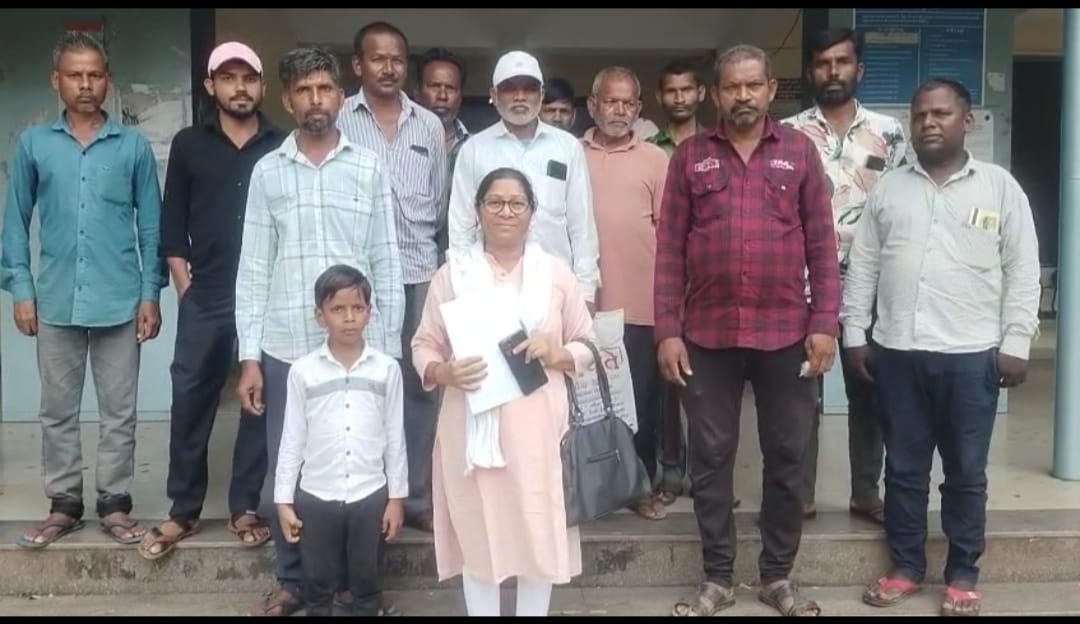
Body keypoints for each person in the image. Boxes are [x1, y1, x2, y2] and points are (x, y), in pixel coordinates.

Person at [845, 79, 1040, 617]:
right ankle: (906, 567)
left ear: (966, 121)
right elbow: (864, 265)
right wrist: (855, 333)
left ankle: (962, 573)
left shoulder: (1000, 188)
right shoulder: (889, 189)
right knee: (904, 470)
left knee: (966, 472)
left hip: (972, 356)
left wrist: (1017, 340)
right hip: (898, 352)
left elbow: (1022, 268)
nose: (929, 123)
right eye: (920, 115)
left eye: (941, 113)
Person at [656, 45, 840, 617]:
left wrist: (825, 323)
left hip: (786, 332)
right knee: (711, 458)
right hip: (706, 334)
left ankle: (776, 576)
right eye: (732, 87)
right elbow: (669, 251)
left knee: (787, 454)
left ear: (770, 89)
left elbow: (823, 245)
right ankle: (718, 577)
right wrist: (668, 330)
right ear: (716, 93)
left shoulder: (800, 152)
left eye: (753, 85)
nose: (743, 96)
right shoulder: (689, 158)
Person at [235, 46, 404, 617]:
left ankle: (360, 585)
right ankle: (294, 581)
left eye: (325, 89)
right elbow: (254, 268)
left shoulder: (369, 167)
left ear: (341, 96)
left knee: (362, 461)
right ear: (287, 99)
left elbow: (386, 260)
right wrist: (251, 357)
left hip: (360, 348)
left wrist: (387, 348)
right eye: (304, 90)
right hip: (288, 345)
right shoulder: (268, 172)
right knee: (291, 465)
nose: (316, 100)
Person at [2, 31, 166, 549]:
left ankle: (115, 503)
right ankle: (64, 505)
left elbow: (152, 228)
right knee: (57, 411)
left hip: (121, 300)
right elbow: (14, 223)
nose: (86, 84)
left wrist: (151, 294)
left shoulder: (133, 146)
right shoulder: (34, 144)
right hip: (54, 300)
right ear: (57, 80)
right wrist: (21, 288)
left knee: (119, 411)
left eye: (95, 74)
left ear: (108, 80)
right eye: (75, 75)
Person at [412, 167, 596, 617]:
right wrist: (443, 371)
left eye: (517, 203)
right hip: (471, 430)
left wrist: (555, 352)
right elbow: (423, 344)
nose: (506, 212)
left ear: (532, 212)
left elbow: (588, 344)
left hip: (538, 431)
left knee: (536, 535)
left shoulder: (556, 275)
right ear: (478, 211)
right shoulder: (452, 276)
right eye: (494, 202)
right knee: (478, 538)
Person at [138, 41, 285, 561]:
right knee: (190, 399)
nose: (239, 87)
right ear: (211, 86)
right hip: (208, 294)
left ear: (262, 86)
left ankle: (245, 506)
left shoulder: (281, 146)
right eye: (228, 78)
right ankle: (184, 510)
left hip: (267, 295)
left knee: (258, 400)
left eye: (249, 78)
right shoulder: (189, 144)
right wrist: (185, 288)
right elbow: (172, 221)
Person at [782, 27, 908, 524]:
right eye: (822, 63)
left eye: (842, 61)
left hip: (870, 285)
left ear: (860, 69)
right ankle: (800, 495)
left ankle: (865, 493)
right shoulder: (788, 134)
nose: (832, 71)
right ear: (810, 71)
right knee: (800, 395)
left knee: (870, 389)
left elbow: (900, 205)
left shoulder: (890, 132)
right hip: (802, 284)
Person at [337, 21, 446, 533]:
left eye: (397, 59)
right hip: (357, 282)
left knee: (422, 385)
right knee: (360, 385)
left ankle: (416, 497)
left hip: (418, 272)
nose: (388, 68)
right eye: (377, 58)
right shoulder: (339, 118)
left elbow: (440, 203)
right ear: (358, 64)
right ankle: (365, 494)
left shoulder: (429, 126)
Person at [275, 264, 407, 617]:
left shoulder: (386, 369)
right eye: (338, 309)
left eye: (358, 308)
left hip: (369, 493)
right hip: (317, 494)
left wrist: (396, 498)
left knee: (366, 580)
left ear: (369, 312)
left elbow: (395, 436)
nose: (349, 318)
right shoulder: (303, 371)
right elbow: (292, 437)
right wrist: (284, 501)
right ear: (320, 316)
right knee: (318, 582)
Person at [581, 66, 671, 520]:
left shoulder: (656, 159)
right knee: (585, 403)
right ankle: (589, 488)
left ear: (638, 108)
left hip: (639, 307)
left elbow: (671, 235)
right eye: (609, 101)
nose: (618, 110)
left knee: (639, 405)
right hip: (581, 307)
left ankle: (640, 487)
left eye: (627, 102)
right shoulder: (571, 153)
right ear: (592, 105)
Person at [449, 50, 600, 311]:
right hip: (488, 288)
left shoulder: (568, 147)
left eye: (529, 88)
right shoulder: (474, 149)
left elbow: (582, 225)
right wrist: (463, 286)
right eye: (509, 88)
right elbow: (460, 225)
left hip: (556, 285)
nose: (520, 96)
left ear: (541, 94)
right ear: (494, 95)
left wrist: (586, 291)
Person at [646, 58, 711, 508]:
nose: (680, 98)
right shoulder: (649, 148)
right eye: (671, 90)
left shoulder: (719, 144)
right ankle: (670, 470)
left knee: (710, 385)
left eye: (687, 89)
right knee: (668, 382)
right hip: (666, 274)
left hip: (709, 278)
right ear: (660, 97)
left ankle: (709, 474)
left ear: (702, 94)